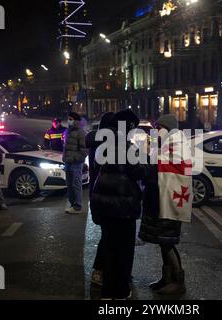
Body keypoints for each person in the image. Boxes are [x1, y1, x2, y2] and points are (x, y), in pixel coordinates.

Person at [90, 109, 148, 300]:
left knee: (109, 249)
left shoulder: (104, 143)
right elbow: (141, 172)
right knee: (124, 252)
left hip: (103, 204)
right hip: (123, 207)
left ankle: (107, 292)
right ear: (129, 127)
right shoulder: (127, 147)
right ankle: (121, 292)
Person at [139, 114, 191, 295]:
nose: (156, 131)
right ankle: (166, 278)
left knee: (167, 242)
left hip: (168, 200)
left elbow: (157, 170)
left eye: (159, 127)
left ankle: (178, 281)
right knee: (162, 241)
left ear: (168, 128)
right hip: (159, 199)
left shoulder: (175, 146)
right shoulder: (164, 145)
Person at [85, 112, 115, 286]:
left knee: (107, 234)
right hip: (109, 195)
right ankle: (100, 270)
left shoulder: (96, 141)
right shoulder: (111, 143)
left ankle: (102, 270)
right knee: (110, 236)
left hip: (96, 194)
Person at [63, 112, 87, 214]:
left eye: (71, 119)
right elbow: (66, 147)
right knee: (69, 184)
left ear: (76, 120)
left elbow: (84, 150)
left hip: (76, 163)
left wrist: (75, 158)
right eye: (68, 118)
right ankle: (73, 204)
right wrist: (65, 158)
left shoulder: (81, 132)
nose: (69, 121)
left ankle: (77, 206)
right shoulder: (68, 131)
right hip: (68, 162)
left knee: (76, 184)